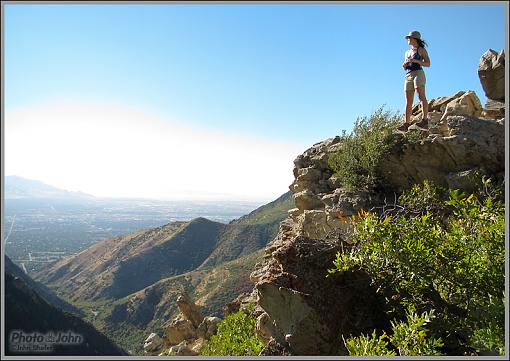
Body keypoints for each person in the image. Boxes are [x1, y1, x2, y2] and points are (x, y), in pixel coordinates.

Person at [397, 30, 431, 133]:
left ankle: (425, 120)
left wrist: (416, 61)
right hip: (408, 75)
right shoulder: (407, 52)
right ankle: (406, 124)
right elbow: (405, 66)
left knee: (421, 96)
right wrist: (404, 65)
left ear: (414, 39)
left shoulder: (421, 50)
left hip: (418, 73)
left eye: (409, 38)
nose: (408, 39)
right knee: (408, 100)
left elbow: (428, 63)